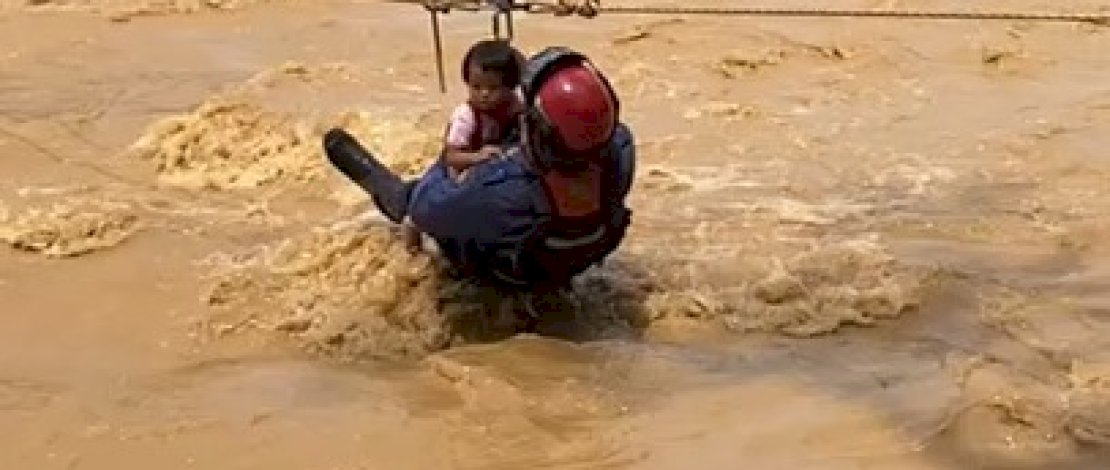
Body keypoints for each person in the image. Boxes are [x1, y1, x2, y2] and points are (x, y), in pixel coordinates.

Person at [324, 46, 635, 295]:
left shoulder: (498, 193)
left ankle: (370, 175)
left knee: (410, 199)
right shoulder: (621, 151)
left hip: (508, 274)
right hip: (568, 262)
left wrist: (450, 163)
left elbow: (424, 206)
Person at [403, 39, 526, 252]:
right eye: (476, 87)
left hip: (497, 167)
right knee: (434, 207)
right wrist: (478, 157)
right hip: (463, 168)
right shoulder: (466, 116)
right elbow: (451, 157)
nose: (484, 94)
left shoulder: (515, 107)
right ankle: (413, 226)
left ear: (510, 87)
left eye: (493, 88)